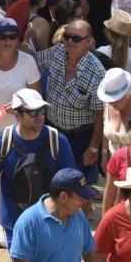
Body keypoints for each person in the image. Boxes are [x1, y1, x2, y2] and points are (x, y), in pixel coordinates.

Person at [0, 89, 76, 252]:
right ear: (17, 115)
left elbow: (71, 188)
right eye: (32, 112)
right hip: (14, 226)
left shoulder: (58, 141)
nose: (39, 116)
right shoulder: (1, 143)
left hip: (52, 223)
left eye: (42, 110)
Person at [35, 19, 106, 184]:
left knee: (77, 187)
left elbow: (101, 113)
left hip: (80, 139)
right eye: (67, 36)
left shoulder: (96, 72)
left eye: (76, 39)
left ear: (88, 42)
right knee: (49, 181)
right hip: (52, 131)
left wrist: (94, 147)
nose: (69, 41)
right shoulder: (56, 53)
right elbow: (30, 62)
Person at [97, 13, 131, 90]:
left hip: (107, 94)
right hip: (129, 95)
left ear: (108, 33)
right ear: (130, 36)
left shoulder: (100, 51)